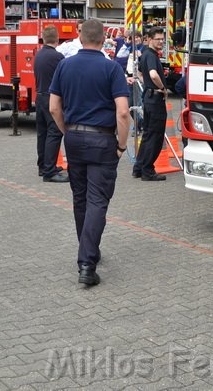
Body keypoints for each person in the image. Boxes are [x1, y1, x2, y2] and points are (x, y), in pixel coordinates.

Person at [48, 19, 130, 286]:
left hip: (73, 138)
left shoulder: (64, 65)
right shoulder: (111, 68)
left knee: (80, 198)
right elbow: (123, 112)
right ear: (104, 38)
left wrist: (66, 131)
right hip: (103, 140)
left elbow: (53, 108)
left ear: (80, 38)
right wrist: (122, 145)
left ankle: (87, 248)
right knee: (97, 200)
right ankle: (87, 263)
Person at [132, 28, 169, 181]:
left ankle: (139, 167)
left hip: (148, 97)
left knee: (147, 135)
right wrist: (162, 88)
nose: (161, 42)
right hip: (155, 99)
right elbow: (153, 74)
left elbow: (140, 73)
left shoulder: (146, 54)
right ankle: (148, 170)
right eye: (158, 39)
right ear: (149, 39)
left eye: (162, 39)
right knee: (155, 136)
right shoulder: (151, 56)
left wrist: (146, 84)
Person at [34, 25, 67, 183]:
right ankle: (50, 171)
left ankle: (43, 166)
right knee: (54, 133)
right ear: (57, 37)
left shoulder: (39, 55)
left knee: (43, 134)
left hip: (39, 97)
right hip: (51, 98)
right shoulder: (58, 57)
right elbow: (65, 79)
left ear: (43, 37)